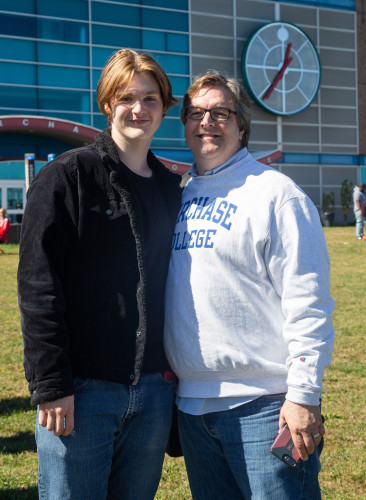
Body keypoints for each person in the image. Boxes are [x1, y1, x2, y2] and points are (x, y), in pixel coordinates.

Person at [18, 48, 181, 499]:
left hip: (153, 393)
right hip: (82, 392)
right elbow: (38, 286)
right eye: (126, 97)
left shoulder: (170, 188)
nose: (139, 109)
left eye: (151, 99)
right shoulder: (66, 177)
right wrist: (51, 384)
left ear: (164, 107)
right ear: (107, 103)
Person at [164, 71, 335, 500]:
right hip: (193, 409)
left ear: (242, 126)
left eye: (221, 112)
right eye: (197, 113)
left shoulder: (275, 194)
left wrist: (304, 395)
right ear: (184, 124)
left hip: (267, 409)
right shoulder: (177, 197)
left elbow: (308, 302)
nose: (208, 121)